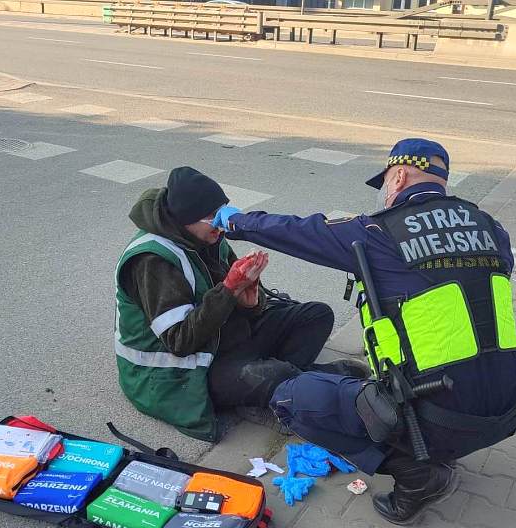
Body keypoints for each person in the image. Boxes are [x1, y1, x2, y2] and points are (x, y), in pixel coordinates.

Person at [212, 139, 516, 524]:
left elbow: (299, 232)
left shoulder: (380, 232)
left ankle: (418, 475)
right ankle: (437, 448)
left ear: (398, 175)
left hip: (438, 414)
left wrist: (235, 222)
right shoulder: (491, 227)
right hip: (510, 405)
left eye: (386, 182)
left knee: (292, 397)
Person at [115, 166, 367, 443]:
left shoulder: (209, 237)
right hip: (182, 372)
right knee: (274, 372)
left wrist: (250, 302)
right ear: (185, 219)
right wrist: (229, 290)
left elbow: (236, 304)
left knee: (316, 315)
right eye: (212, 216)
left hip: (224, 339)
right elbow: (180, 342)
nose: (221, 222)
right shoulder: (153, 260)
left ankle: (280, 385)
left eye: (222, 210)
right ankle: (289, 385)